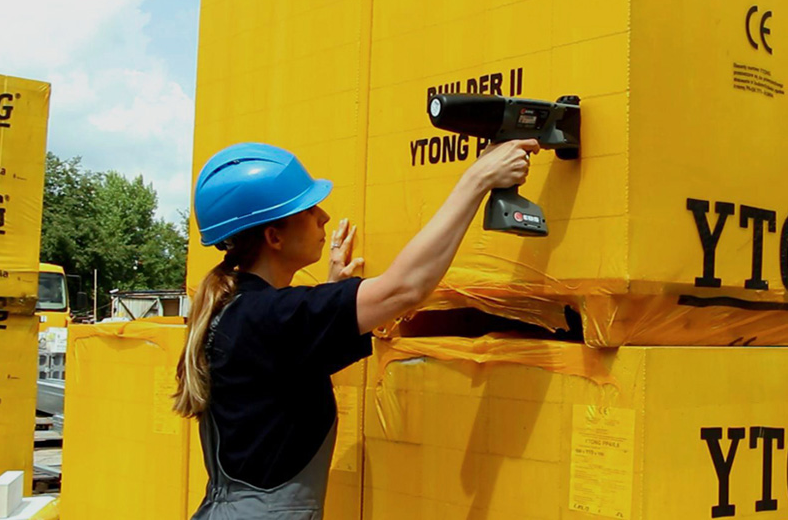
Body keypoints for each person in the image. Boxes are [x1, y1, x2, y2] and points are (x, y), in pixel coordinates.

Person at [174, 138, 539, 519]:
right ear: (274, 237)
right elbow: (406, 287)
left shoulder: (235, 313)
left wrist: (333, 297)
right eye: (308, 209)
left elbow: (284, 360)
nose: (324, 217)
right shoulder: (271, 318)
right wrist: (477, 179)